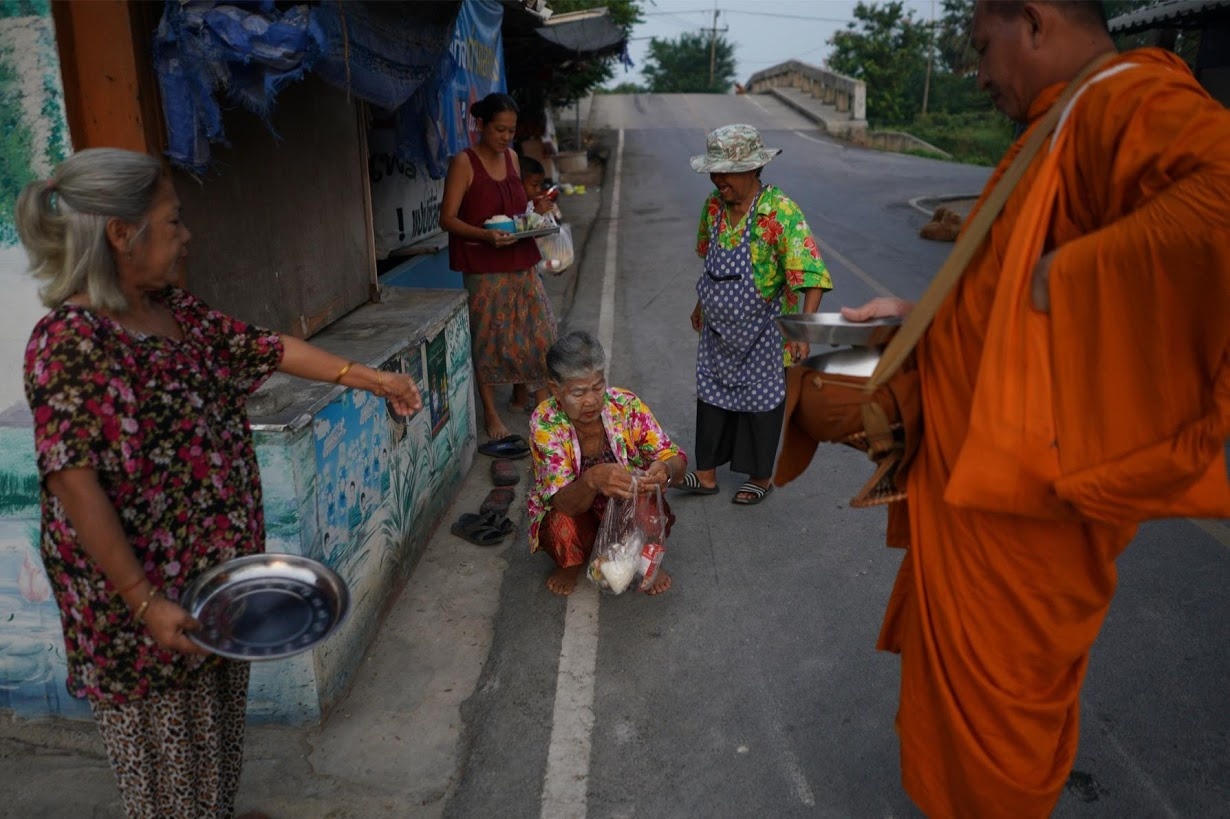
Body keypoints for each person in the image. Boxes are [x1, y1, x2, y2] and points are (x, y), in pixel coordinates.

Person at [839, 3, 1230, 815]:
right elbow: (1001, 292)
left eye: (984, 48)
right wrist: (924, 317)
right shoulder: (1061, 124)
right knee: (970, 735)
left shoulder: (1122, 100)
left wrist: (1073, 278)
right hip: (977, 502)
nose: (978, 75)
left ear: (1037, 21)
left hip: (1025, 515)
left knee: (1001, 746)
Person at [16, 147, 422, 818]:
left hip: (211, 590)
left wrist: (374, 378)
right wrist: (143, 599)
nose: (186, 236)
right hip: (140, 621)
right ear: (122, 234)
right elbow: (73, 482)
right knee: (171, 783)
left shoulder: (171, 309)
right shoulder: (71, 341)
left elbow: (266, 346)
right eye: (172, 221)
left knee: (216, 755)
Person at [677, 124, 831, 505]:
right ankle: (707, 474)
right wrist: (702, 305)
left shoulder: (779, 212)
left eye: (725, 172)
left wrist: (802, 332)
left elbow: (811, 275)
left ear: (751, 169)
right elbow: (709, 262)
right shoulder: (714, 207)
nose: (717, 180)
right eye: (714, 172)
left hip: (764, 331)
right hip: (717, 330)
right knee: (711, 396)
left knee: (761, 402)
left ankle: (760, 476)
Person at [527, 331, 686, 596]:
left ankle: (641, 559)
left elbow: (675, 458)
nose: (591, 400)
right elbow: (562, 502)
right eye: (578, 392)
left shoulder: (625, 405)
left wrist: (666, 469)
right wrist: (593, 480)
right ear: (555, 389)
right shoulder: (544, 422)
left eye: (597, 387)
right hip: (578, 511)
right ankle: (573, 563)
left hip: (626, 508)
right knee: (560, 527)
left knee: (648, 505)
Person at [440, 92, 557, 438]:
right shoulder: (464, 163)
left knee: (539, 335)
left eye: (511, 131)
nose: (506, 137)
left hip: (520, 260)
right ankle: (491, 416)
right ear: (481, 125)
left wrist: (537, 211)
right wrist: (484, 236)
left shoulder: (513, 160)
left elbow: (516, 214)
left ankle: (544, 408)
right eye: (499, 130)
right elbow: (447, 219)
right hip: (483, 267)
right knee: (488, 340)